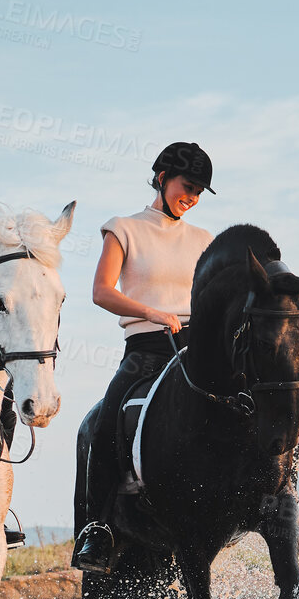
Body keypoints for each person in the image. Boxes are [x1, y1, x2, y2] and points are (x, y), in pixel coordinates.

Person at [70, 141, 216, 572]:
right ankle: (96, 529)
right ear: (161, 177)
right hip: (147, 347)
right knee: (103, 421)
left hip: (196, 347)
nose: (190, 198)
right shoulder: (124, 228)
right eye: (186, 186)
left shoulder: (205, 240)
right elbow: (102, 292)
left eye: (198, 192)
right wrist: (152, 312)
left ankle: (283, 501)